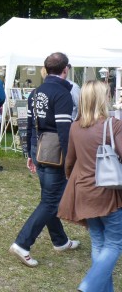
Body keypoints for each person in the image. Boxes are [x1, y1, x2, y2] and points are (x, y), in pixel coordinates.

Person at [9, 52, 79, 267]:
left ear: (46, 69)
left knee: (50, 198)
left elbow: (29, 125)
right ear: (65, 69)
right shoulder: (62, 93)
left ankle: (60, 241)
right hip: (55, 154)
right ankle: (22, 243)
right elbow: (64, 131)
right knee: (51, 200)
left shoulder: (36, 92)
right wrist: (71, 161)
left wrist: (29, 154)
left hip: (39, 149)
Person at [58, 81, 122, 292]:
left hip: (84, 191)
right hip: (109, 193)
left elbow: (69, 161)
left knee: (98, 243)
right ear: (103, 98)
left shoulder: (75, 126)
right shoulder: (113, 125)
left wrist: (72, 178)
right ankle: (88, 286)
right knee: (114, 244)